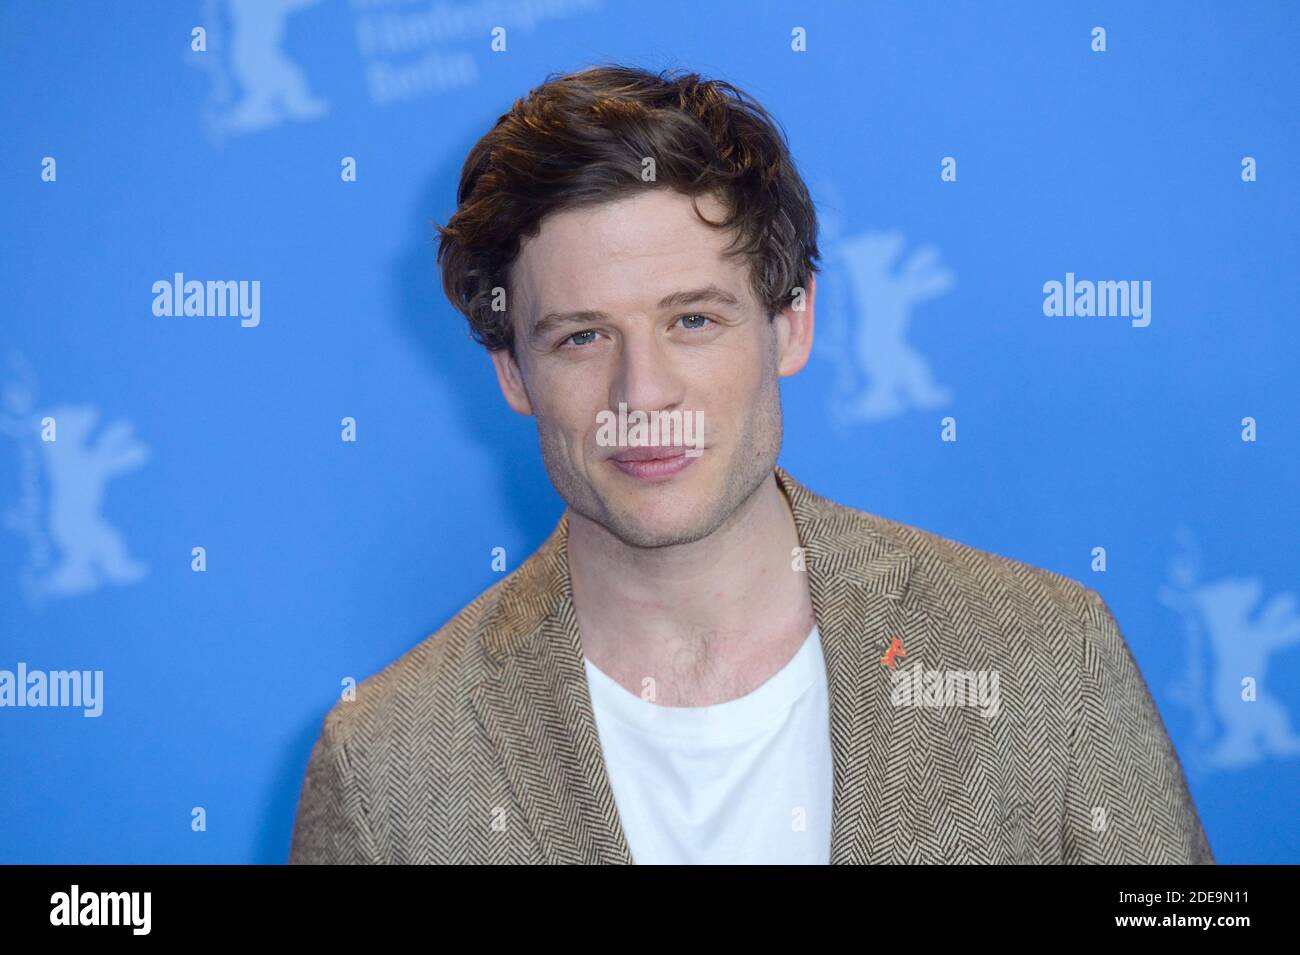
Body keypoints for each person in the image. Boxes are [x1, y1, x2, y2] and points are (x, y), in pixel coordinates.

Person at [289, 64, 1213, 865]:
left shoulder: (1046, 658)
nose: (641, 394)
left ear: (790, 322)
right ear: (513, 372)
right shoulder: (387, 765)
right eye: (580, 337)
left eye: (692, 319)